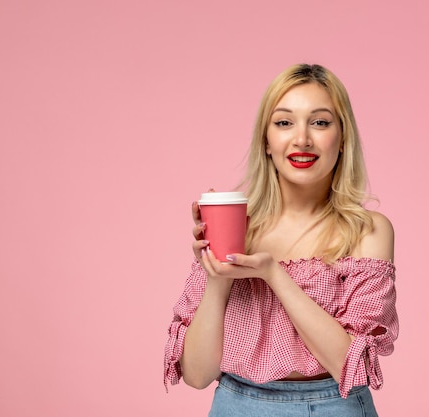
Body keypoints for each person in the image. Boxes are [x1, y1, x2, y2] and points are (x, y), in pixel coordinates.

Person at [164, 63, 398, 416]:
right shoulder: (239, 228)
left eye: (319, 122)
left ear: (343, 138)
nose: (301, 139)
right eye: (284, 122)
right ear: (267, 142)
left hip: (334, 406)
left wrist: (274, 275)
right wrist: (217, 277)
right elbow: (197, 375)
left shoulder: (368, 231)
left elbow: (348, 366)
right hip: (235, 405)